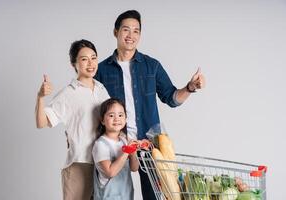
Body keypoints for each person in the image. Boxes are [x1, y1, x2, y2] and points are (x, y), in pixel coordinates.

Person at [95, 10, 206, 200]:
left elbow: (171, 98)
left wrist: (190, 87)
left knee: (154, 196)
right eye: (126, 30)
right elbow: (93, 106)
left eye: (136, 31)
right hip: (116, 143)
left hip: (149, 144)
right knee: (113, 195)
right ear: (116, 32)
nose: (131, 36)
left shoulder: (151, 66)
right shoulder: (102, 69)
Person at [35, 39, 110, 200]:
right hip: (80, 163)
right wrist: (40, 97)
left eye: (94, 57)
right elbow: (41, 123)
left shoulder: (102, 89)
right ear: (74, 64)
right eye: (84, 59)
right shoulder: (69, 93)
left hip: (103, 163)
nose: (91, 63)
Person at [92, 98, 139, 200]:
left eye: (121, 115)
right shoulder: (101, 145)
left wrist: (133, 153)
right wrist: (126, 151)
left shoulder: (123, 140)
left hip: (126, 195)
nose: (117, 119)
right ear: (102, 120)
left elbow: (134, 168)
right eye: (111, 115)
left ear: (126, 119)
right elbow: (110, 172)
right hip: (108, 196)